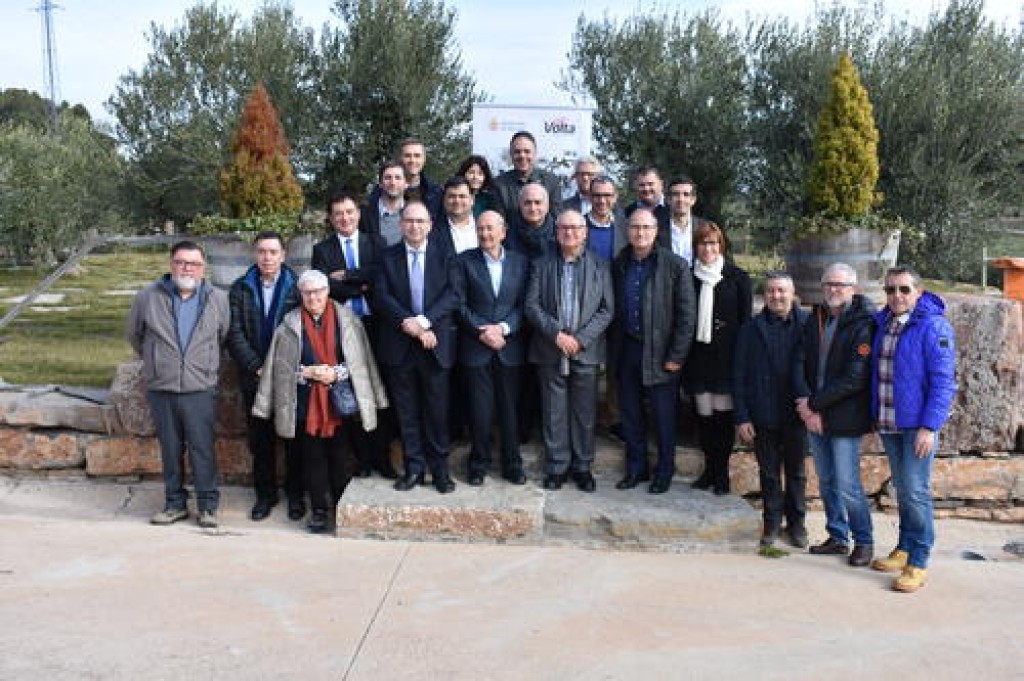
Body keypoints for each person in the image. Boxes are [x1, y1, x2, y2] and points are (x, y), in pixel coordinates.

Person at [253, 269, 387, 533]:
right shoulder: (289, 325)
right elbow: (280, 368)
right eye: (307, 293)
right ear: (301, 294)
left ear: (327, 292)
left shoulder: (348, 321)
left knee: (340, 456)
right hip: (305, 402)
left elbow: (360, 362)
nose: (313, 297)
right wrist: (306, 372)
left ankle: (339, 506)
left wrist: (335, 373)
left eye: (318, 292)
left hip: (338, 400)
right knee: (312, 458)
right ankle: (318, 511)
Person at [127, 241, 229, 528]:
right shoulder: (147, 297)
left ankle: (207, 506)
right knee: (170, 449)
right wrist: (160, 362)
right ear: (171, 264)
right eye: (181, 262)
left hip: (200, 387)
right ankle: (174, 504)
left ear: (203, 268)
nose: (187, 269)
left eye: (194, 264)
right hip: (163, 387)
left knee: (202, 449)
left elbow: (222, 335)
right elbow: (135, 335)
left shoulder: (218, 299)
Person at [869, 266, 957, 592]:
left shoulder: (934, 327)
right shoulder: (884, 323)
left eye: (904, 289)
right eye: (890, 289)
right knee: (903, 489)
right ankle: (904, 547)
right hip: (889, 421)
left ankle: (918, 560)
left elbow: (944, 382)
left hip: (917, 426)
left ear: (919, 292)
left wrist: (929, 427)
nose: (897, 296)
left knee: (916, 492)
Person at [793, 262, 876, 567]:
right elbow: (798, 360)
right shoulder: (816, 317)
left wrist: (814, 405)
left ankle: (864, 541)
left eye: (840, 285)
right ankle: (838, 537)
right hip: (813, 414)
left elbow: (855, 377)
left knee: (848, 484)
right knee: (827, 481)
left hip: (844, 417)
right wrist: (805, 403)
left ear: (853, 289)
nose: (833, 289)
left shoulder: (863, 323)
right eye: (829, 284)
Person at [374, 201, 460, 494]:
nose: (415, 226)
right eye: (409, 221)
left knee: (437, 411)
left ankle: (440, 470)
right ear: (401, 225)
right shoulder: (387, 257)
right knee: (406, 411)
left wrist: (423, 323)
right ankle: (413, 468)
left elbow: (454, 295)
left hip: (435, 345)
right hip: (399, 346)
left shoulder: (446, 255)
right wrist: (407, 323)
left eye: (420, 221)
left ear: (430, 225)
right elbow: (381, 296)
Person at [525, 209, 614, 492]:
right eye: (564, 228)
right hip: (550, 348)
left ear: (585, 232)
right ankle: (557, 466)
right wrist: (557, 335)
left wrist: (581, 339)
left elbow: (607, 310)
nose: (569, 233)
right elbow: (531, 305)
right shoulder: (541, 264)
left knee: (584, 413)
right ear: (556, 232)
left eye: (575, 228)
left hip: (585, 351)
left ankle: (582, 467)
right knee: (554, 412)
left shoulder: (600, 265)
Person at [312, 189, 395, 479]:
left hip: (376, 326)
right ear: (331, 218)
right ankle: (363, 460)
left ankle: (383, 458)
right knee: (351, 393)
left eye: (349, 212)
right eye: (338, 214)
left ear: (359, 215)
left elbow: (381, 278)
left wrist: (348, 276)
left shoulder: (376, 243)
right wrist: (363, 284)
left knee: (380, 391)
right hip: (343, 329)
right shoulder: (322, 250)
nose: (345, 218)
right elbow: (325, 288)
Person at [611, 208, 695, 494]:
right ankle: (636, 469)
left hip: (662, 353)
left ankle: (664, 471)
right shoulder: (619, 263)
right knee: (631, 414)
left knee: (663, 416)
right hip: (627, 349)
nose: (640, 233)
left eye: (646, 227)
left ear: (656, 231)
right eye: (635, 227)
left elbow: (687, 316)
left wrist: (676, 355)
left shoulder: (675, 265)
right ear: (627, 230)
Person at [226, 231, 304, 522]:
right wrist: (255, 366)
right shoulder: (241, 288)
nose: (267, 257)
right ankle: (265, 495)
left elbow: (304, 331)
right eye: (262, 251)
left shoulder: (297, 287)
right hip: (255, 376)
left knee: (294, 439)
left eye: (273, 252)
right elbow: (233, 332)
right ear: (254, 254)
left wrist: (283, 368)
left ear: (283, 255)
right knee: (260, 440)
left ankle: (296, 495)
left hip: (290, 376)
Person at [733, 271, 810, 548]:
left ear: (793, 293)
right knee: (769, 473)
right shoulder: (750, 329)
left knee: (797, 473)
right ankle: (772, 523)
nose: (776, 296)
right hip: (762, 413)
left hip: (797, 414)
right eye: (771, 291)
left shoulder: (809, 324)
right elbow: (738, 374)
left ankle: (797, 524)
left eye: (781, 290)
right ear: (764, 295)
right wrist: (742, 416)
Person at [453, 210, 530, 485]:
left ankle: (512, 464)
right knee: (480, 410)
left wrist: (504, 328)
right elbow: (459, 303)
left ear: (503, 232)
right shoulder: (463, 261)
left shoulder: (520, 262)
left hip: (509, 346)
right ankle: (478, 463)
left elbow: (525, 304)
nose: (485, 234)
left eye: (490, 228)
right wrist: (482, 331)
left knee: (510, 410)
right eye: (481, 229)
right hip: (477, 347)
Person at [684, 222, 752, 496]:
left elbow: (746, 323)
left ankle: (722, 474)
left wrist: (742, 359)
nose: (708, 249)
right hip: (698, 358)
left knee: (723, 419)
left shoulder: (738, 278)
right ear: (695, 247)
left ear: (721, 246)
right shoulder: (688, 277)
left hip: (727, 358)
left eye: (713, 243)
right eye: (702, 243)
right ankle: (709, 470)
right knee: (704, 417)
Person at [492, 130, 563, 218]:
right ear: (511, 154)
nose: (522, 155)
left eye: (527, 151)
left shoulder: (551, 182)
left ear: (535, 153)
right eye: (517, 152)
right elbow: (498, 221)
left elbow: (556, 218)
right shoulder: (499, 185)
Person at [504, 182, 557, 260]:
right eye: (527, 203)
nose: (533, 208)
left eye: (538, 203)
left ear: (547, 206)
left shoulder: (560, 233)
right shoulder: (506, 236)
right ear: (520, 205)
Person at [663, 176, 708, 266]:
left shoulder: (705, 228)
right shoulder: (656, 229)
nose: (681, 199)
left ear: (693, 200)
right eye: (676, 194)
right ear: (668, 199)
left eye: (686, 194)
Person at [361, 160, 407, 246]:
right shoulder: (363, 215)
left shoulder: (418, 213)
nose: (393, 183)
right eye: (388, 178)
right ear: (380, 183)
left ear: (406, 183)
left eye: (398, 178)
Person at [583, 175, 628, 263]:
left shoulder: (626, 227)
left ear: (615, 197)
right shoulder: (577, 226)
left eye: (607, 195)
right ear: (589, 197)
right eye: (597, 195)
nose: (602, 201)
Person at [432, 176, 478, 258]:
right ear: (444, 200)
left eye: (462, 196)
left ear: (472, 200)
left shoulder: (484, 226)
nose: (457, 201)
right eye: (452, 196)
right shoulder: (432, 230)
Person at [623, 166, 670, 235]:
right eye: (642, 185)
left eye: (650, 184)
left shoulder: (673, 210)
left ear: (661, 184)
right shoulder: (627, 213)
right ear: (635, 186)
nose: (646, 188)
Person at [457, 154, 499, 218]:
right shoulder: (455, 197)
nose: (475, 177)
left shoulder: (489, 200)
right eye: (471, 172)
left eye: (480, 174)